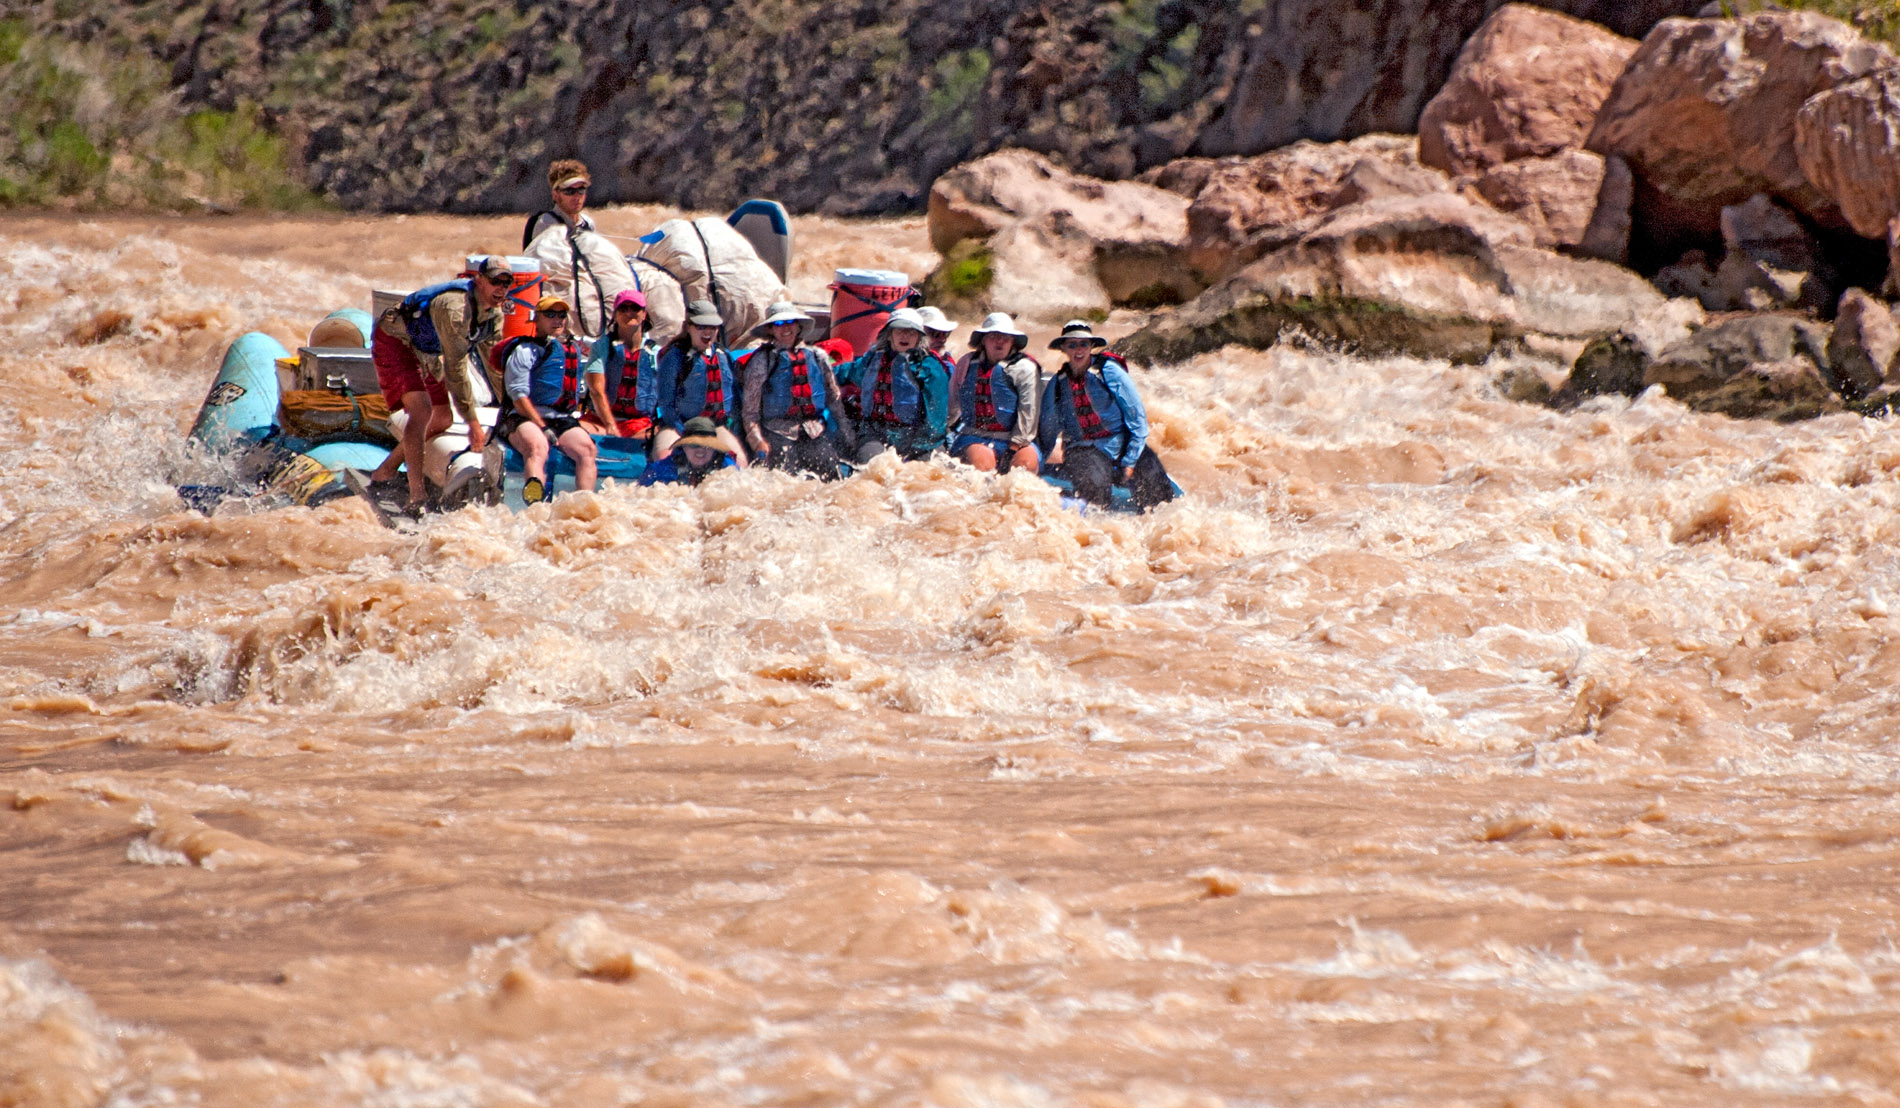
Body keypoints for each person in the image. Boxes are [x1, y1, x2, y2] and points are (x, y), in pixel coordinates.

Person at [363, 255, 509, 513]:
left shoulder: (494, 314)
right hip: (397, 340)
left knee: (442, 418)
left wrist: (511, 406)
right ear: (479, 281)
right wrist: (473, 423)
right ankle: (417, 496)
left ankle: (386, 470)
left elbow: (494, 364)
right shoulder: (455, 309)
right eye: (496, 281)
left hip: (428, 349)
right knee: (421, 411)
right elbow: (456, 369)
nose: (501, 289)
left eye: (507, 283)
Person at [1037, 320, 1176, 511]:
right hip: (1082, 449)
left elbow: (1137, 419)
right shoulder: (1057, 383)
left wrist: (1130, 460)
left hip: (1120, 443)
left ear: (1091, 346)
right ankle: (1097, 521)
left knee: (1153, 475)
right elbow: (1048, 428)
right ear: (1064, 348)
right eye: (1072, 345)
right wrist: (1039, 461)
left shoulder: (1109, 372)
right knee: (1094, 483)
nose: (1078, 350)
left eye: (1084, 344)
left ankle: (1156, 517)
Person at [497, 295, 615, 504]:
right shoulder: (525, 351)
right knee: (537, 446)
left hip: (560, 417)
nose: (557, 320)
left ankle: (582, 505)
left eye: (561, 315)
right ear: (536, 319)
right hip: (522, 417)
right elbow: (519, 398)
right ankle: (534, 499)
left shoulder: (572, 350)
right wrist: (543, 426)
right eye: (550, 315)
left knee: (587, 450)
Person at [522, 158, 636, 341]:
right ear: (556, 194)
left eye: (581, 190)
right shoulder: (544, 224)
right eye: (569, 191)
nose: (577, 196)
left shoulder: (587, 224)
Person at [740, 301, 854, 479]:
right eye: (778, 324)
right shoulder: (762, 360)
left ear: (798, 325)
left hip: (813, 430)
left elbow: (834, 398)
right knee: (785, 476)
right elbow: (750, 411)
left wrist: (847, 432)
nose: (785, 328)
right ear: (770, 330)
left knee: (831, 474)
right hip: (776, 431)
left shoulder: (817, 356)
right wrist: (757, 441)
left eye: (790, 322)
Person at [840, 308, 951, 463]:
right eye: (900, 331)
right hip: (875, 432)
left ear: (919, 337)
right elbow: (846, 372)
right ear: (889, 334)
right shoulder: (872, 360)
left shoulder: (930, 367)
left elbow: (937, 416)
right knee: (871, 465)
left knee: (924, 471)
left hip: (917, 436)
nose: (905, 336)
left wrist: (921, 445)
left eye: (911, 332)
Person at [654, 299, 748, 464]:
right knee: (663, 458)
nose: (707, 332)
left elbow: (733, 402)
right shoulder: (674, 357)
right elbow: (666, 404)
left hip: (715, 427)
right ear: (688, 327)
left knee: (740, 462)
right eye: (701, 327)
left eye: (713, 327)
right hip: (680, 425)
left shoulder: (723, 356)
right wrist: (683, 430)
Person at [948, 312, 1042, 475]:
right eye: (993, 336)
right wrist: (942, 432)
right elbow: (952, 403)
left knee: (1024, 467)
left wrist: (1014, 447)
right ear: (983, 340)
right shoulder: (966, 363)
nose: (1000, 341)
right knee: (984, 466)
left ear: (1012, 341)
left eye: (1005, 337)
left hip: (1015, 439)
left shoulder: (1024, 368)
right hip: (974, 436)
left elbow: (1029, 412)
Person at [582, 288, 660, 439]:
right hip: (599, 422)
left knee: (661, 435)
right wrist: (610, 425)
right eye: (623, 308)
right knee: (573, 432)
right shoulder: (602, 347)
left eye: (635, 308)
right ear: (615, 315)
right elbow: (596, 390)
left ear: (644, 314)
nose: (629, 313)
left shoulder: (655, 352)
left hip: (639, 424)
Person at [639, 416, 739, 487]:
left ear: (714, 449)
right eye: (694, 445)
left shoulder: (727, 467)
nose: (700, 450)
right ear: (684, 447)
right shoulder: (662, 469)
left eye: (707, 446)